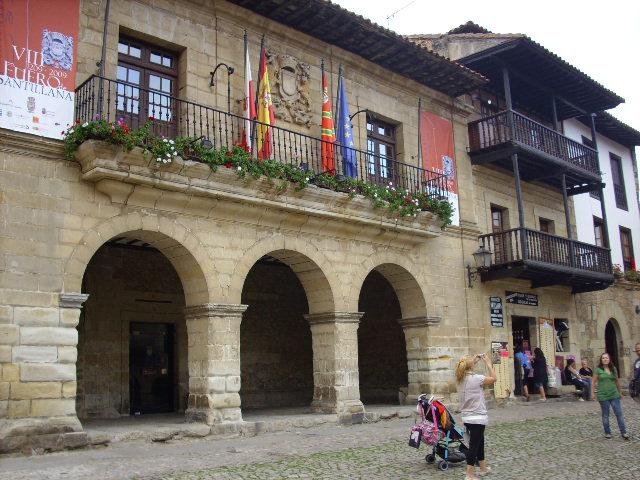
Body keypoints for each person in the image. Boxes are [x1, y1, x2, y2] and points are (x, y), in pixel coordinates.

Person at [456, 353, 496, 480]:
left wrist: (474, 360)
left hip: (467, 418)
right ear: (470, 366)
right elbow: (494, 379)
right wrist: (488, 364)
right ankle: (469, 474)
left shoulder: (459, 378)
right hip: (477, 418)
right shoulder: (477, 378)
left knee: (479, 442)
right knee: (474, 446)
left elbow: (465, 367)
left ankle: (483, 468)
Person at [592, 352, 629, 439]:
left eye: (606, 358)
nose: (605, 359)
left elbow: (616, 381)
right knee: (605, 415)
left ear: (609, 359)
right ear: (601, 360)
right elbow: (593, 382)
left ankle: (624, 432)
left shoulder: (614, 369)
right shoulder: (598, 369)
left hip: (614, 394)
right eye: (603, 358)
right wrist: (593, 393)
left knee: (619, 414)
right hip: (603, 396)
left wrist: (620, 392)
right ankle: (607, 432)